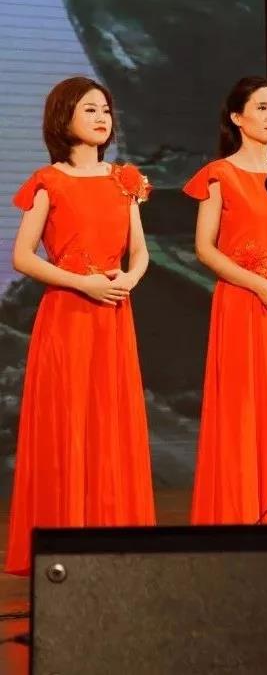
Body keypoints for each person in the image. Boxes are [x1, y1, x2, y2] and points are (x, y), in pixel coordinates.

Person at [5, 77, 155, 575]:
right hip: (67, 317)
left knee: (111, 424)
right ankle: (66, 541)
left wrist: (128, 279)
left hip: (113, 315)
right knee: (68, 424)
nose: (101, 117)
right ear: (63, 116)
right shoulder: (49, 181)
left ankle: (114, 538)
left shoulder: (125, 180)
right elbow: (23, 256)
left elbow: (140, 252)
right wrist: (81, 283)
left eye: (105, 109)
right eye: (90, 109)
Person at [184, 77, 267, 531]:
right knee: (242, 412)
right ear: (237, 118)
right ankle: (241, 522)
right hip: (242, 303)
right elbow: (205, 248)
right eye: (262, 107)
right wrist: (260, 286)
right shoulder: (220, 175)